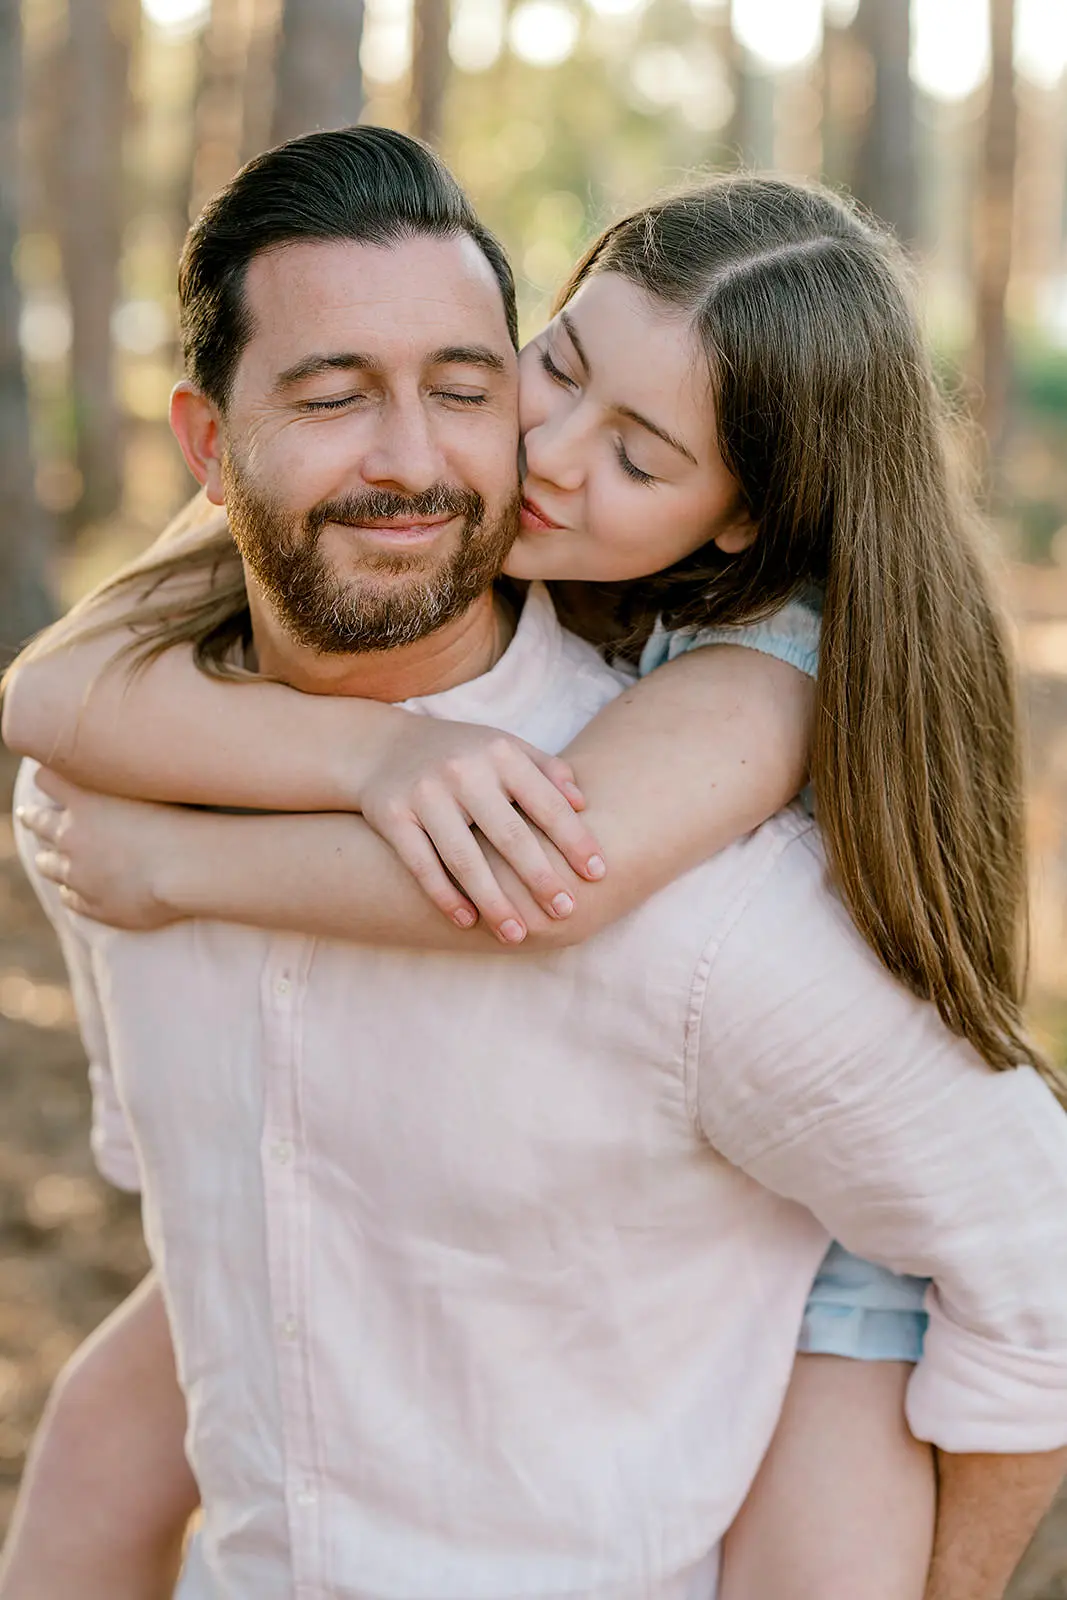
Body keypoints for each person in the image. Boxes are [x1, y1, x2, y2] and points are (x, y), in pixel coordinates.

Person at [4, 127, 1067, 1600]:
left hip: (858, 1274)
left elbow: (549, 883)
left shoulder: (739, 739)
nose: (542, 463)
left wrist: (181, 870)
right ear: (210, 444)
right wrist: (361, 762)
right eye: (551, 374)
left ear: (741, 510)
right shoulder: (141, 753)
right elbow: (49, 695)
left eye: (636, 455)